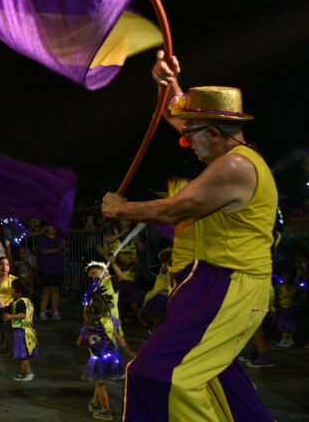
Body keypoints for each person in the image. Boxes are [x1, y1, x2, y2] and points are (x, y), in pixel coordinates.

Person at [102, 51, 278, 421]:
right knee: (217, 378)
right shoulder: (227, 157)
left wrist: (121, 208)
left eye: (189, 137)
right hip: (207, 283)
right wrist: (169, 83)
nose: (184, 142)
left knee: (163, 376)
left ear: (213, 134)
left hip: (227, 285)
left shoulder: (235, 166)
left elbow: (173, 209)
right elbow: (177, 115)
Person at [78, 294, 135, 420]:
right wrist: (128, 350)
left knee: (100, 383)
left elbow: (80, 343)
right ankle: (95, 403)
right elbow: (119, 338)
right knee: (99, 382)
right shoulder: (112, 322)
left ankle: (106, 411)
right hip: (113, 357)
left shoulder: (88, 327)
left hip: (98, 359)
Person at [3, 278, 37, 382]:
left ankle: (27, 374)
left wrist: (10, 317)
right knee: (24, 354)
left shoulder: (20, 302)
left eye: (12, 289)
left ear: (19, 292)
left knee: (23, 355)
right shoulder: (27, 301)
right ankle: (25, 372)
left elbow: (23, 315)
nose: (11, 291)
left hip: (22, 331)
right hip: (27, 330)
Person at [34, 223, 68, 321]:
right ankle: (42, 312)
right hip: (46, 267)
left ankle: (55, 311)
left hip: (58, 267)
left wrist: (64, 247)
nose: (53, 228)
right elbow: (43, 251)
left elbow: (66, 249)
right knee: (46, 290)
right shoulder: (42, 238)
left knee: (56, 290)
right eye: (51, 226)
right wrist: (58, 248)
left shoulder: (60, 237)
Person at [140, 248, 172, 333]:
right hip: (157, 293)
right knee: (144, 312)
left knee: (159, 316)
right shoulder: (164, 268)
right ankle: (154, 328)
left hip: (165, 295)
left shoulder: (170, 268)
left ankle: (155, 329)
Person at [270, 264, 300, 348]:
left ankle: (284, 340)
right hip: (291, 307)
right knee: (290, 324)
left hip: (285, 308)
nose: (282, 276)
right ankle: (290, 339)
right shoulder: (294, 285)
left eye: (283, 274)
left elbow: (282, 295)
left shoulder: (284, 286)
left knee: (284, 325)